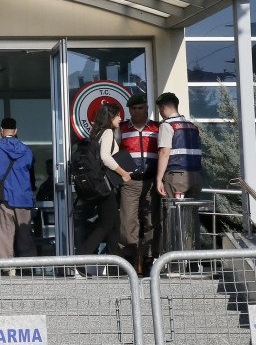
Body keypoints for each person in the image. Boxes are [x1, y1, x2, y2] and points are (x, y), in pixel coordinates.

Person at [0, 118, 36, 267]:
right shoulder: (26, 150)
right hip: (23, 197)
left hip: (2, 197)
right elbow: (30, 169)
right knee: (25, 234)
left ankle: (8, 269)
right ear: (16, 131)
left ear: (1, 130)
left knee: (4, 234)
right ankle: (28, 266)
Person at [76, 104, 129, 259]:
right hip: (105, 186)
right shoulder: (107, 132)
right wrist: (123, 172)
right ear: (110, 117)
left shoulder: (96, 133)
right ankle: (82, 256)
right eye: (118, 116)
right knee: (106, 225)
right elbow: (106, 157)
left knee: (114, 224)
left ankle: (114, 262)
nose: (120, 119)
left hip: (98, 186)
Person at [118, 93, 160, 269]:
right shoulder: (121, 129)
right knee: (128, 222)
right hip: (130, 182)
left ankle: (150, 260)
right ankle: (130, 261)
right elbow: (113, 154)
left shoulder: (158, 128)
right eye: (133, 109)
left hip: (151, 180)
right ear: (129, 110)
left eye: (140, 108)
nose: (136, 111)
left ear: (147, 109)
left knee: (151, 220)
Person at [155, 92, 204, 199]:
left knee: (174, 212)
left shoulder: (167, 125)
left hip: (176, 177)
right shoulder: (193, 126)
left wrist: (159, 179)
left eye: (159, 109)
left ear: (163, 108)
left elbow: (164, 153)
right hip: (196, 176)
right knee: (191, 213)